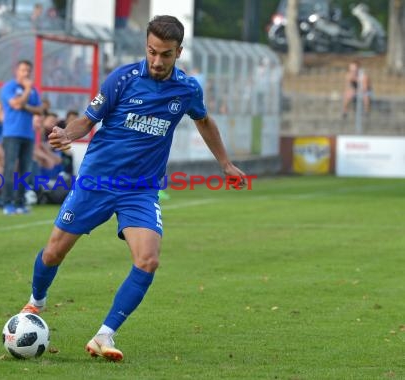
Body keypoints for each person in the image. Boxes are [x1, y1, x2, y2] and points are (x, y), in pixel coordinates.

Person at [18, 15, 246, 361]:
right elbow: (88, 118)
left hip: (140, 189)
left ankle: (103, 336)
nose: (157, 61)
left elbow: (203, 120)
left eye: (165, 54)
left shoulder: (187, 88)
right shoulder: (122, 79)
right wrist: (68, 134)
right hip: (98, 181)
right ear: (146, 46)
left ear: (179, 52)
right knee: (53, 253)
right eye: (152, 52)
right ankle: (36, 301)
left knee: (148, 260)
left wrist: (225, 164)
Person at [0, 59, 45, 215]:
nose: (26, 73)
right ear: (16, 71)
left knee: (25, 169)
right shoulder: (9, 87)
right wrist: (26, 90)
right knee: (10, 168)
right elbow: (16, 105)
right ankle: (7, 202)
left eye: (28, 71)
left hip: (28, 133)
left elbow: (40, 109)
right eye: (23, 70)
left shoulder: (34, 91)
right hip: (12, 133)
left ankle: (20, 202)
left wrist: (26, 105)